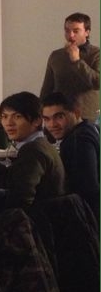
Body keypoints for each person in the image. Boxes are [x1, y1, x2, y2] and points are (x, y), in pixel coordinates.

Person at [0, 91, 65, 210]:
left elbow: (20, 200)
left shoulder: (33, 150)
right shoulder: (40, 143)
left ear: (37, 120)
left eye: (17, 116)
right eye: (4, 116)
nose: (9, 123)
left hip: (40, 218)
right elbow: (11, 180)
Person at [41, 92, 100, 222]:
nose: (52, 125)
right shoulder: (91, 128)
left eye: (59, 117)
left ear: (76, 113)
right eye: (46, 119)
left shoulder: (77, 140)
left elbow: (87, 189)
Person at [40, 12, 100, 120]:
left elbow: (98, 82)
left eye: (76, 31)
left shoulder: (97, 54)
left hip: (88, 118)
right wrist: (41, 114)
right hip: (59, 117)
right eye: (67, 31)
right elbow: (47, 89)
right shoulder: (56, 56)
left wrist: (77, 61)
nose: (70, 35)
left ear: (87, 32)